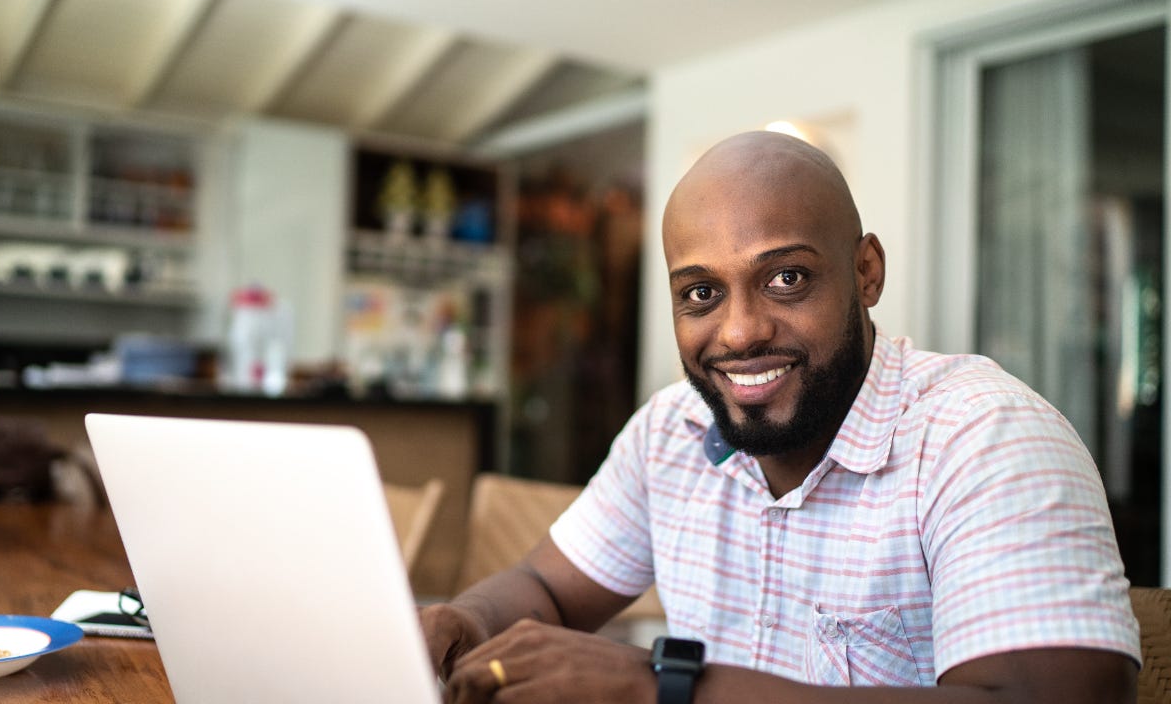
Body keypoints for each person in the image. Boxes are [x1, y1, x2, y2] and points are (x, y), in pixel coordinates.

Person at [419, 131, 1141, 704]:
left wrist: (658, 689)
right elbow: (546, 588)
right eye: (701, 293)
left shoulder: (985, 437)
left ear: (866, 273)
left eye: (785, 278)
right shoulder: (667, 432)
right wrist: (467, 621)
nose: (738, 333)